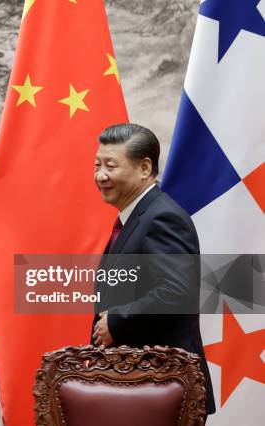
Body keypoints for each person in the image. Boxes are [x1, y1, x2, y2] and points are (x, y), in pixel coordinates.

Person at [91, 123, 215, 416]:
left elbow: (177, 291)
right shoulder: (134, 217)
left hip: (163, 381)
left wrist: (117, 321)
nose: (100, 175)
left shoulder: (162, 218)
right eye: (97, 164)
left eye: (111, 165)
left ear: (145, 167)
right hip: (136, 380)